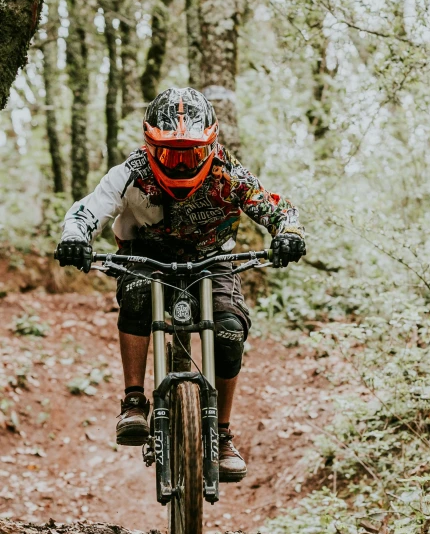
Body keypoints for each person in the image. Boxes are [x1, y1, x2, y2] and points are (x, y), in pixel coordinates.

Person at [55, 87, 306, 483]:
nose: (182, 164)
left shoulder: (228, 171)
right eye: (172, 154)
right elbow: (90, 208)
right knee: (137, 298)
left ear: (211, 146)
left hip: (212, 260)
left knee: (228, 331)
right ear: (151, 146)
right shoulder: (132, 172)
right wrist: (75, 237)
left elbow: (275, 206)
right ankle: (134, 401)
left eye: (191, 154)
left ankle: (221, 435)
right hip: (147, 258)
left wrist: (288, 231)